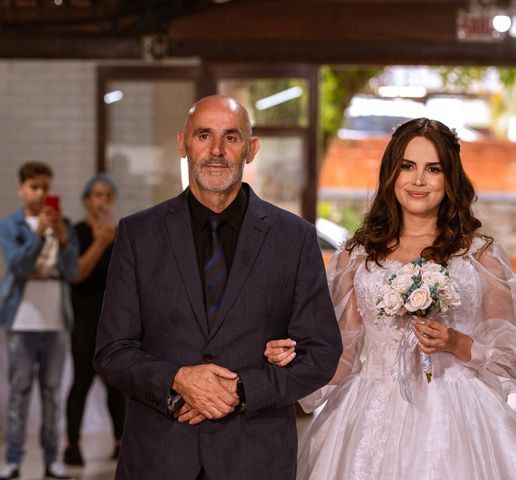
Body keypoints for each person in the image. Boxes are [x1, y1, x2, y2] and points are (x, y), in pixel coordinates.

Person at [265, 118, 516, 479]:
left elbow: (513, 360)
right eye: (407, 166)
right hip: (370, 412)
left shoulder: (479, 255)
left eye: (433, 169)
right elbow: (341, 352)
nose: (418, 180)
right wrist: (294, 364)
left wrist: (460, 343)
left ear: (450, 178)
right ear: (391, 174)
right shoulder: (357, 256)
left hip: (460, 414)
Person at [93, 95, 342, 480]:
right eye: (203, 135)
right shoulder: (138, 235)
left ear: (251, 149)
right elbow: (112, 351)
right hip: (159, 457)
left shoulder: (294, 238)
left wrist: (241, 391)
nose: (216, 151)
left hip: (255, 457)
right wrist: (178, 381)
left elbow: (322, 353)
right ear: (182, 144)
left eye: (231, 137)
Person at [0, 161, 78, 480]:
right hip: (22, 319)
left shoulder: (64, 225)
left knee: (52, 393)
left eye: (45, 187)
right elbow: (18, 266)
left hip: (56, 318)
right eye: (34, 187)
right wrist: (36, 234)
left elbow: (72, 272)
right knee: (19, 393)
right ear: (21, 189)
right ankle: (13, 460)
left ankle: (52, 459)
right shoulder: (10, 226)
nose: (40, 193)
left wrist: (62, 239)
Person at [63, 174, 125, 466]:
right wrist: (100, 244)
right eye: (98, 194)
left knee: (117, 383)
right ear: (87, 199)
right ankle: (72, 445)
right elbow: (76, 274)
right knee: (81, 382)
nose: (103, 201)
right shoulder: (75, 232)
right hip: (85, 319)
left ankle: (120, 442)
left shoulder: (123, 234)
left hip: (113, 321)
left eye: (108, 195)